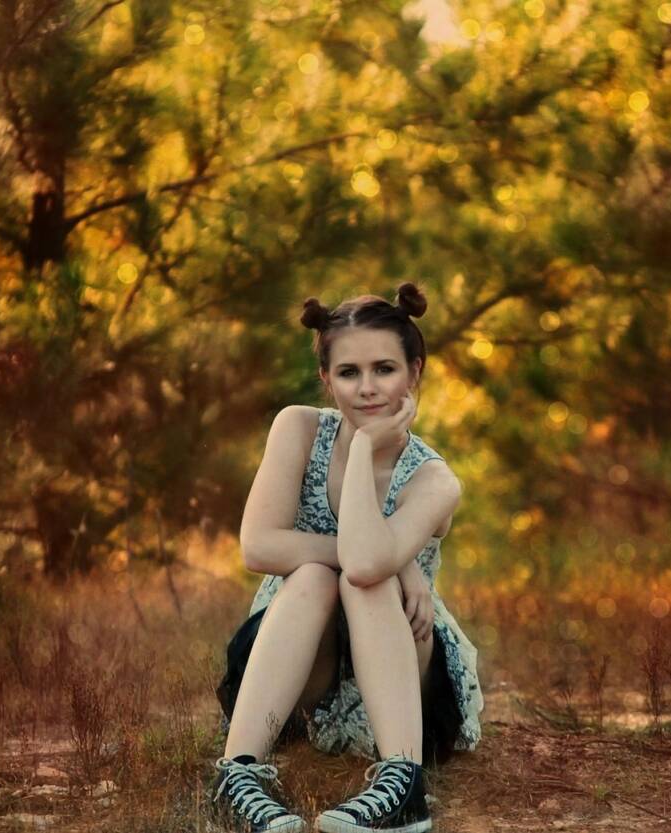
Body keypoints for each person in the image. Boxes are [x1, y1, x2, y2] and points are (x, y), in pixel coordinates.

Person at [209, 283, 484, 833]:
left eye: (384, 369)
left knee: (366, 581)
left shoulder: (434, 480)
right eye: (348, 373)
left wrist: (363, 451)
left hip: (399, 676)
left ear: (415, 373)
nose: (366, 389)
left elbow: (363, 569)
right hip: (295, 664)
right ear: (325, 379)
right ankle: (238, 776)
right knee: (314, 577)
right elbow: (258, 546)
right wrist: (396, 558)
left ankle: (402, 785)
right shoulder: (299, 427)